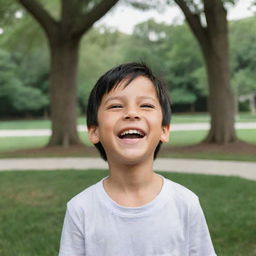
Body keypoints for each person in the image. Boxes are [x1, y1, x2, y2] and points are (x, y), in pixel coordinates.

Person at [58, 62, 217, 256]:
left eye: (146, 105)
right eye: (116, 106)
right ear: (94, 131)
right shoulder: (80, 209)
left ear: (164, 130)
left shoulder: (185, 203)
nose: (132, 113)